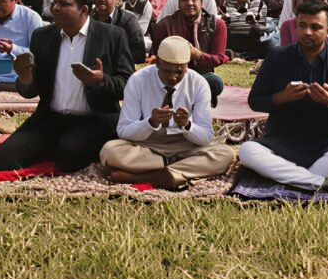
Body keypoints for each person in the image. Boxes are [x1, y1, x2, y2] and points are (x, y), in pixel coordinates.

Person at [0, 0, 134, 172]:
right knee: (1, 160)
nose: (55, 8)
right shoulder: (42, 36)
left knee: (68, 157)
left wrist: (100, 80)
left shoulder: (112, 36)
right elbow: (30, 91)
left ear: (83, 10)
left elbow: (127, 85)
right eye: (54, 3)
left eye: (64, 4)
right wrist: (25, 77)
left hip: (94, 119)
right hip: (49, 119)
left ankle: (59, 147)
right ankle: (50, 145)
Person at [238, 0, 328, 192]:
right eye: (302, 26)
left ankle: (293, 179)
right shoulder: (277, 57)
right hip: (281, 139)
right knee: (247, 151)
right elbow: (255, 101)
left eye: (315, 27)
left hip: (326, 140)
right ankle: (317, 183)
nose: (307, 32)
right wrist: (283, 97)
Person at [99, 36, 236, 189]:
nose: (172, 77)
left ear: (187, 65)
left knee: (226, 154)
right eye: (166, 70)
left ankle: (147, 177)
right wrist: (151, 122)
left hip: (186, 145)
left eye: (179, 72)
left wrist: (187, 125)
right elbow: (124, 131)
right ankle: (176, 171)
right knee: (109, 152)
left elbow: (206, 137)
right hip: (148, 145)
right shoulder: (138, 80)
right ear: (157, 62)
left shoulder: (198, 83)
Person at [150, 0, 228, 106]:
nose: (190, 3)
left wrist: (196, 54)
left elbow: (218, 59)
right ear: (178, 3)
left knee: (215, 82)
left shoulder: (217, 25)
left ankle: (188, 99)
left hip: (202, 76)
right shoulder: (164, 25)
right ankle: (195, 99)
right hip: (172, 76)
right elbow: (158, 60)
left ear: (202, 3)